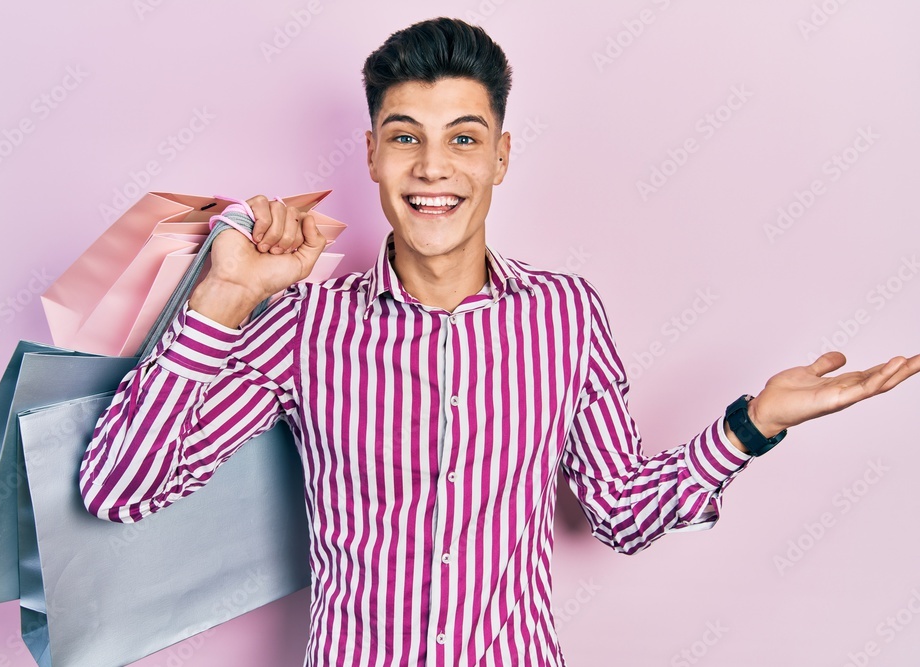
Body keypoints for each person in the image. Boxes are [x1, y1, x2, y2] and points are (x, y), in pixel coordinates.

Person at [78, 16, 920, 666]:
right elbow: (117, 488)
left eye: (463, 139)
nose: (433, 167)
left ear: (501, 157)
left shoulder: (566, 315)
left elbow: (619, 515)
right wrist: (225, 297)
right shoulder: (305, 324)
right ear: (372, 154)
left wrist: (752, 422)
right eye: (406, 136)